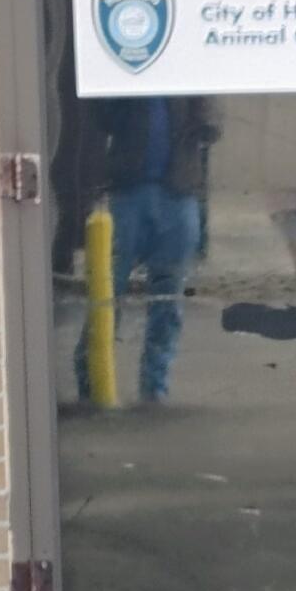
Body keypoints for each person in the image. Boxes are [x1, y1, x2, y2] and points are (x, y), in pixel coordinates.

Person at [75, 95, 222, 403]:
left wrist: (203, 116)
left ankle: (155, 389)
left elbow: (213, 122)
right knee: (107, 291)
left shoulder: (188, 69)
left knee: (168, 299)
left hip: (178, 191)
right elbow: (101, 116)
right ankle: (91, 381)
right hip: (126, 191)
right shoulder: (126, 70)